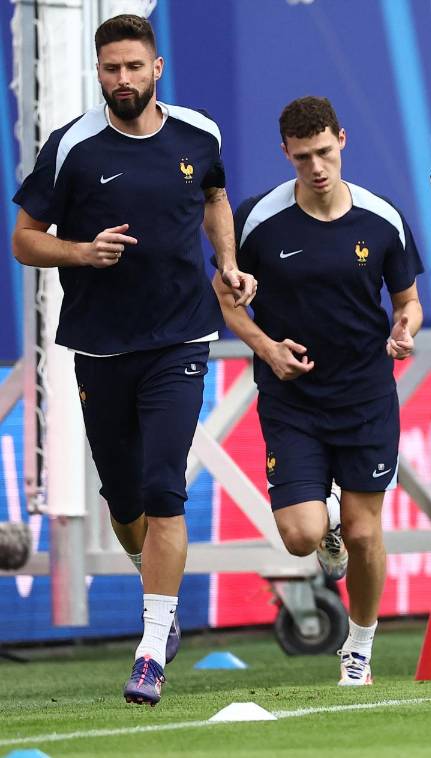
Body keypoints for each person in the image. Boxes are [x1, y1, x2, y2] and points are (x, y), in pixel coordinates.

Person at [10, 14, 255, 705]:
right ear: (98, 73)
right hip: (99, 344)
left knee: (162, 489)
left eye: (133, 66)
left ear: (157, 68)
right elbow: (25, 241)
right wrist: (82, 252)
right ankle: (156, 592)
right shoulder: (73, 148)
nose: (123, 78)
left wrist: (228, 263)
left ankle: (151, 650)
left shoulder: (197, 133)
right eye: (111, 68)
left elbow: (214, 195)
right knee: (124, 502)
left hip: (179, 340)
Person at [215, 96, 423, 684]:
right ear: (285, 153)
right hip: (292, 398)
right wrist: (267, 348)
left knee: (364, 532)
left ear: (343, 140)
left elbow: (406, 302)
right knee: (302, 534)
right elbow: (226, 298)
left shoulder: (383, 217)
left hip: (365, 395)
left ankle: (358, 646)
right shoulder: (256, 218)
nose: (316, 167)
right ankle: (323, 525)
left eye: (325, 152)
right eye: (303, 156)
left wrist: (404, 328)